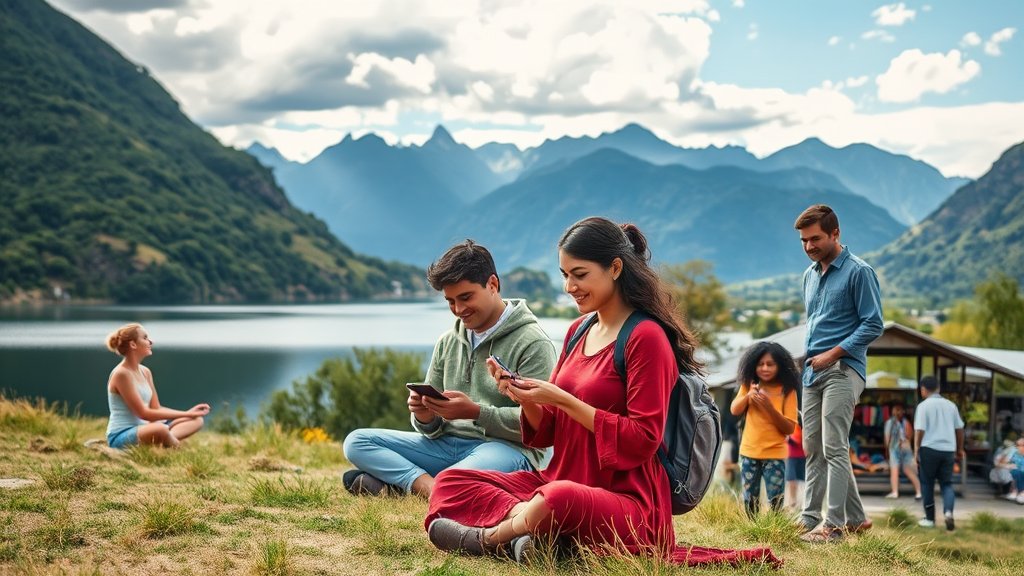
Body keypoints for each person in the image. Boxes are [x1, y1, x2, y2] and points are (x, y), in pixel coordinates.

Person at [423, 217, 780, 567]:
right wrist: (526, 399)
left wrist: (562, 398)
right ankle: (534, 530)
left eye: (579, 275)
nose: (569, 287)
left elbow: (643, 438)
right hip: (560, 480)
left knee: (558, 499)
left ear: (615, 268)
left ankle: (490, 539)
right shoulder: (579, 331)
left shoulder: (646, 337)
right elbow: (546, 433)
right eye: (565, 275)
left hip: (628, 501)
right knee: (453, 480)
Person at [342, 240, 557, 498]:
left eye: (466, 297)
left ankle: (410, 487)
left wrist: (476, 412)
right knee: (357, 442)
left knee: (454, 477)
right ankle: (431, 489)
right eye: (450, 301)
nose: (458, 310)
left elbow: (543, 429)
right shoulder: (447, 342)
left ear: (493, 285)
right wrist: (424, 415)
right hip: (445, 448)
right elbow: (432, 430)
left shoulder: (533, 343)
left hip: (507, 451)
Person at [793, 205, 884, 543]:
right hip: (812, 373)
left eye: (815, 238)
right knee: (812, 447)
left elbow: (874, 323)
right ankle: (815, 519)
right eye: (803, 240)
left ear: (835, 234)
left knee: (834, 446)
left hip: (844, 370)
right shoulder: (809, 275)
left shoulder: (860, 272)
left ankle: (833, 527)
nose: (808, 246)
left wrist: (832, 354)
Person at [105, 324, 209, 449]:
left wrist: (188, 414)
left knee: (196, 420)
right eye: (145, 338)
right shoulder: (121, 374)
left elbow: (156, 408)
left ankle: (164, 442)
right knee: (160, 429)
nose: (150, 341)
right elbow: (143, 414)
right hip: (121, 436)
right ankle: (171, 446)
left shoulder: (145, 372)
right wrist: (186, 413)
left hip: (147, 428)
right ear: (133, 344)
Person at [730, 342, 799, 516]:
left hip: (774, 454)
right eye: (760, 364)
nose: (765, 368)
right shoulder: (750, 385)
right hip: (748, 453)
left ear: (780, 365)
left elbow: (789, 428)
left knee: (776, 500)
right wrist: (747, 397)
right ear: (753, 365)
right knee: (749, 499)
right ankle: (752, 531)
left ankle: (773, 530)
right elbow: (734, 409)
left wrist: (768, 407)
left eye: (770, 364)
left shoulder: (787, 390)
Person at [914, 375, 964, 530]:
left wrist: (916, 449)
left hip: (929, 449)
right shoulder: (951, 406)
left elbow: (920, 430)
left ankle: (930, 519)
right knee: (947, 483)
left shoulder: (923, 406)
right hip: (948, 450)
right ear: (938, 388)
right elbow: (960, 429)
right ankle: (948, 512)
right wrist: (959, 448)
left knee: (927, 483)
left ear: (923, 389)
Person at [883, 404, 922, 500]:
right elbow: (910, 436)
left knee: (894, 472)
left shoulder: (889, 423)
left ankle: (895, 492)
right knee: (909, 471)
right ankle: (918, 493)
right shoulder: (906, 422)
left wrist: (887, 449)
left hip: (894, 448)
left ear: (893, 412)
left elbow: (887, 438)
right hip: (906, 447)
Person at [786, 420, 806, 511]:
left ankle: (800, 501)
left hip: (803, 454)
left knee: (801, 480)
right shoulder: (791, 422)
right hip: (791, 454)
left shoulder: (804, 424)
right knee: (791, 479)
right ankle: (793, 500)